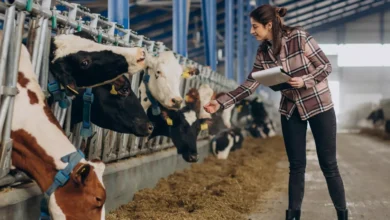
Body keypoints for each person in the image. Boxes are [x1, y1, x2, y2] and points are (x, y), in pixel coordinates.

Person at [203, 4, 348, 220]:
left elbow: (325, 67)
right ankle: (292, 217)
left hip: (318, 104)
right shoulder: (263, 52)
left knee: (328, 164)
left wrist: (305, 80)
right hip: (290, 109)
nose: (252, 31)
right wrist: (221, 103)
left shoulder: (299, 37)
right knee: (296, 166)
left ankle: (343, 215)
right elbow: (250, 85)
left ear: (269, 25)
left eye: (255, 27)